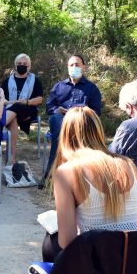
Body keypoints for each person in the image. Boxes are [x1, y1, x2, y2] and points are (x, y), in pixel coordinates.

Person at [42, 106, 137, 262]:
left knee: (50, 239)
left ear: (66, 135)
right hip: (131, 261)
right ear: (98, 131)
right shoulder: (128, 164)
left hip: (94, 265)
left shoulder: (68, 171)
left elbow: (66, 242)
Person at [42, 54, 102, 187]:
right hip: (60, 121)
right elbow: (49, 106)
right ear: (67, 68)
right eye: (71, 65)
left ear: (84, 68)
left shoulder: (92, 88)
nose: (74, 67)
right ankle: (52, 175)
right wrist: (58, 110)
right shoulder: (58, 87)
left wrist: (79, 113)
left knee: (65, 133)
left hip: (81, 124)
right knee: (58, 123)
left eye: (77, 65)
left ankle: (66, 176)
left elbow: (96, 111)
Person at [0, 53, 44, 165]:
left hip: (28, 110)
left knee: (18, 105)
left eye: (25, 64)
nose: (22, 65)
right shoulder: (6, 81)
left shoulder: (35, 81)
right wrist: (4, 102)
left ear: (29, 66)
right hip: (11, 113)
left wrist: (27, 102)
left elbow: (39, 99)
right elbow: (1, 98)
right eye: (19, 63)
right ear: (15, 65)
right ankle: (12, 158)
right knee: (13, 117)